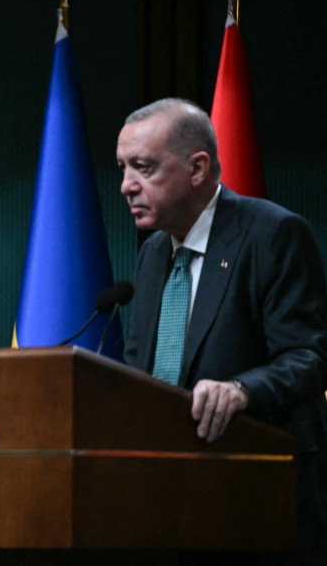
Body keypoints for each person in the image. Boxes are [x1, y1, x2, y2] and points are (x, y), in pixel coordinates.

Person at [116, 97, 327, 563]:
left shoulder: (273, 234)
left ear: (197, 168)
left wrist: (240, 389)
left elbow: (309, 360)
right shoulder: (153, 253)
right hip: (171, 500)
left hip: (258, 496)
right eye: (123, 168)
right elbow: (139, 374)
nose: (126, 186)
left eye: (142, 168)